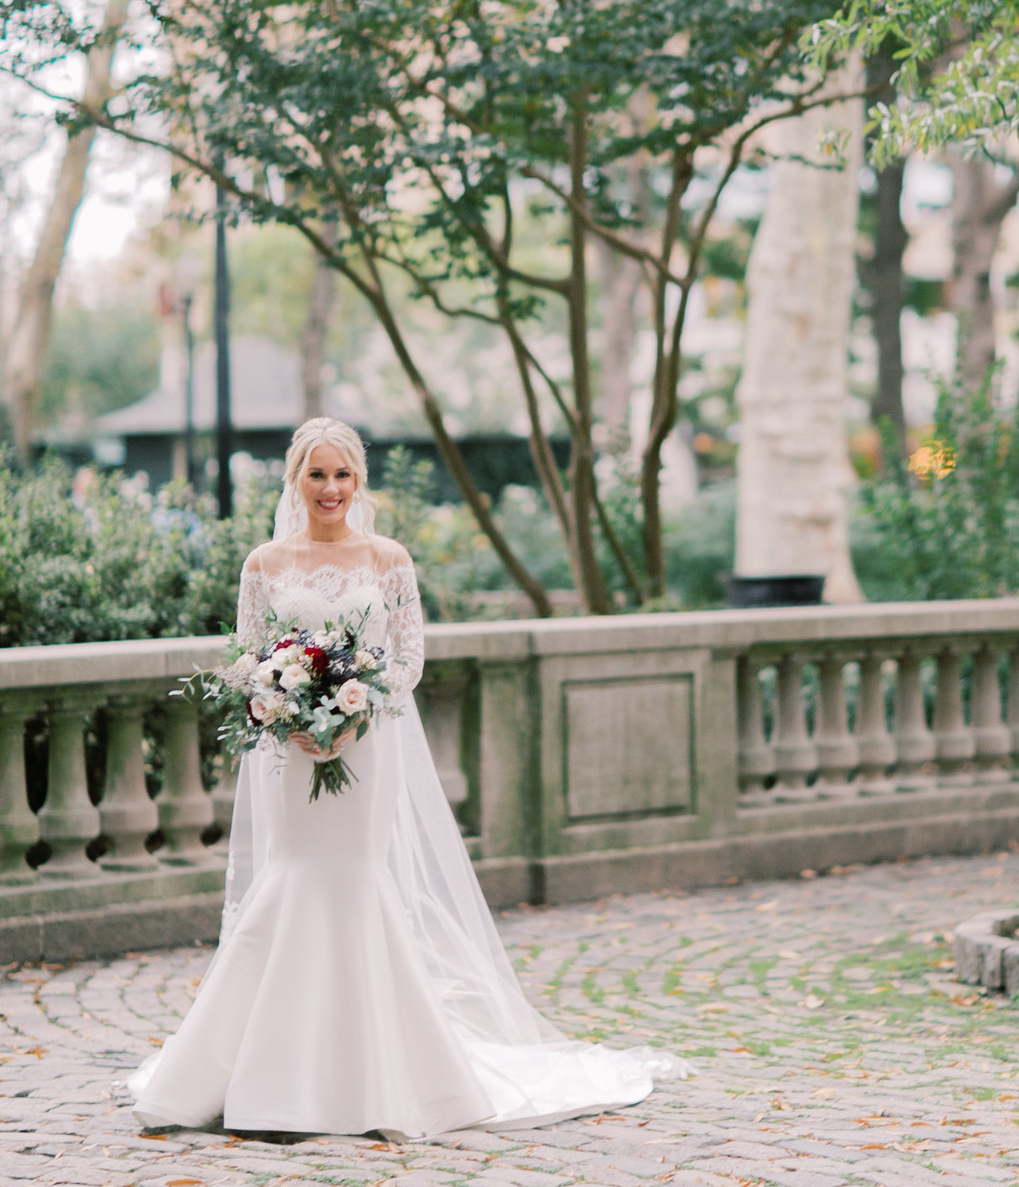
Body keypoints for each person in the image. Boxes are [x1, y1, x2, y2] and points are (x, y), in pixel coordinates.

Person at [130, 416, 685, 1139]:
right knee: (294, 874)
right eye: (316, 474)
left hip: (366, 747)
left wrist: (356, 715)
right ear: (295, 479)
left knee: (357, 878)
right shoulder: (264, 564)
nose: (330, 488)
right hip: (291, 753)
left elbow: (408, 656)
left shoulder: (387, 558)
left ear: (360, 481)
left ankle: (379, 1075)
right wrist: (281, 708)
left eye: (342, 475)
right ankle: (264, 1070)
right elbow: (248, 656)